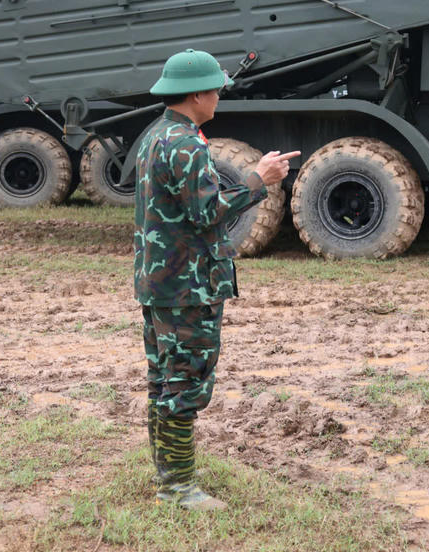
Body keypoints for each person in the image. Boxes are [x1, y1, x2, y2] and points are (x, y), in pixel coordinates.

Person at [135, 48, 298, 510]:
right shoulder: (186, 144)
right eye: (216, 90)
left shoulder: (156, 135)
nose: (219, 97)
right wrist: (258, 179)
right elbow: (207, 212)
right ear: (197, 94)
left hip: (162, 281)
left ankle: (170, 476)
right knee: (184, 385)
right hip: (189, 285)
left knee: (165, 380)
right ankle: (178, 488)